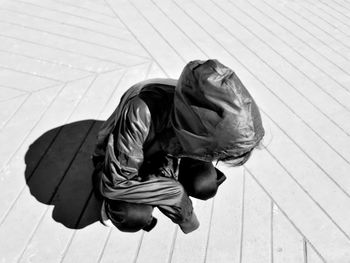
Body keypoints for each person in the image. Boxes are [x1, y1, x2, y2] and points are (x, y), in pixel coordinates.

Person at [92, 59, 264, 234]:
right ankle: (110, 206)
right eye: (217, 156)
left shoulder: (201, 107)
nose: (215, 160)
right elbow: (117, 181)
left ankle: (162, 188)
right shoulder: (140, 110)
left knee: (206, 184)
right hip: (122, 161)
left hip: (168, 151)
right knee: (134, 215)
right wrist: (175, 196)